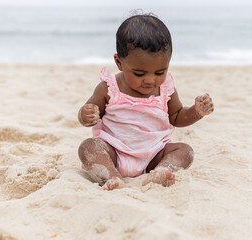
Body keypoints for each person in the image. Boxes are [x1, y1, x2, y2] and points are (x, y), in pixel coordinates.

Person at [78, 13, 214, 190]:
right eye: (139, 74)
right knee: (88, 147)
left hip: (154, 154)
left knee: (185, 151)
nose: (150, 80)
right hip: (115, 152)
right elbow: (89, 114)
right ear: (119, 62)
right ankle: (112, 177)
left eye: (159, 72)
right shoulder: (109, 88)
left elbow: (177, 116)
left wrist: (197, 112)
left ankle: (161, 172)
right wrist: (86, 115)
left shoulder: (165, 90)